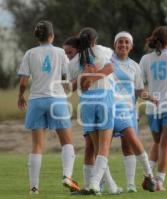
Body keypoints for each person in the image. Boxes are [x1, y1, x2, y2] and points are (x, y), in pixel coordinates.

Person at [17, 21, 80, 195]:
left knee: (37, 146)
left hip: (37, 100)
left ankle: (34, 188)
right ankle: (67, 176)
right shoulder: (60, 52)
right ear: (52, 36)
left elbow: (23, 82)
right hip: (57, 99)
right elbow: (67, 78)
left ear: (36, 36)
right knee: (67, 142)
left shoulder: (29, 53)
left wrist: (20, 96)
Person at [63, 36, 123, 195]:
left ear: (78, 47)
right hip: (103, 100)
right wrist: (88, 76)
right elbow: (110, 68)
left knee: (94, 147)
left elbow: (73, 87)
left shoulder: (88, 56)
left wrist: (87, 77)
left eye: (70, 52)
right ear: (94, 40)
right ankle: (97, 184)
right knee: (99, 147)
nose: (68, 55)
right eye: (66, 53)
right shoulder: (99, 53)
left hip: (88, 103)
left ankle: (102, 185)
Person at [139, 26, 167, 191]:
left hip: (152, 107)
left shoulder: (145, 59)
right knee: (165, 145)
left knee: (157, 143)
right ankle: (159, 181)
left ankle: (148, 176)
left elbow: (139, 86)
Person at [112, 31, 158, 192]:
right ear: (115, 44)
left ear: (131, 46)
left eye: (126, 42)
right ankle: (103, 182)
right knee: (103, 147)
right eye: (120, 42)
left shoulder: (134, 66)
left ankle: (131, 185)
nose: (123, 45)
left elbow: (138, 91)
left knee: (128, 146)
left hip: (129, 110)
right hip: (108, 109)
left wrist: (150, 97)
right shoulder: (106, 61)